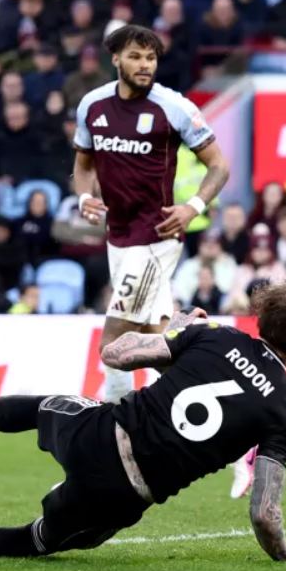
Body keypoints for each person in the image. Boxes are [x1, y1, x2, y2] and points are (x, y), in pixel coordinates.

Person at [0, 279, 286, 560]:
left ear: (260, 317)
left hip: (99, 434)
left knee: (43, 408)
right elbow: (264, 513)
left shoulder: (216, 337)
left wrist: (179, 328)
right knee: (38, 539)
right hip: (121, 494)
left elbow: (116, 355)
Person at [72, 24, 231, 402]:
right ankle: (230, 405)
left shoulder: (174, 106)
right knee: (153, 340)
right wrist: (82, 198)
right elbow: (82, 164)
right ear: (116, 59)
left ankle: (113, 423)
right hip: (119, 236)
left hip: (156, 235)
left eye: (151, 58)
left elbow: (219, 166)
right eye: (135, 56)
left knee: (114, 344)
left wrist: (192, 207)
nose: (145, 65)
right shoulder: (92, 105)